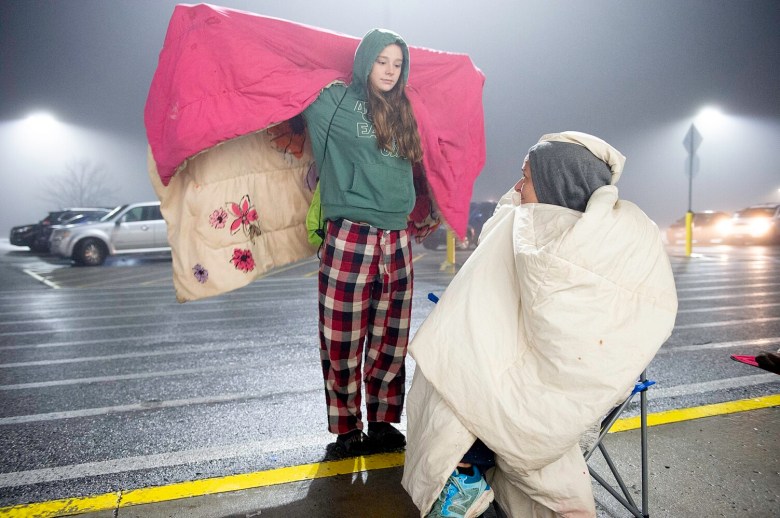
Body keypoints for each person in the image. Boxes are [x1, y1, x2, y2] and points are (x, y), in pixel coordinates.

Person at [401, 132, 678, 517]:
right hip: (517, 371)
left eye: (526, 178)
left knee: (455, 378)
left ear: (555, 184)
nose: (517, 187)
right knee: (457, 368)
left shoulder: (611, 242)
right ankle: (465, 472)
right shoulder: (520, 226)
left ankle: (464, 474)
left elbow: (604, 331)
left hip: (566, 394)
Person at [302, 29, 424, 456]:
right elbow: (290, 78)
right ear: (364, 61)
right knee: (341, 338)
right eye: (381, 61)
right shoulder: (332, 102)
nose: (390, 71)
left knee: (392, 338)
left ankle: (384, 422)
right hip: (350, 234)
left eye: (397, 64)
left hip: (397, 237)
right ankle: (346, 427)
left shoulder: (406, 108)